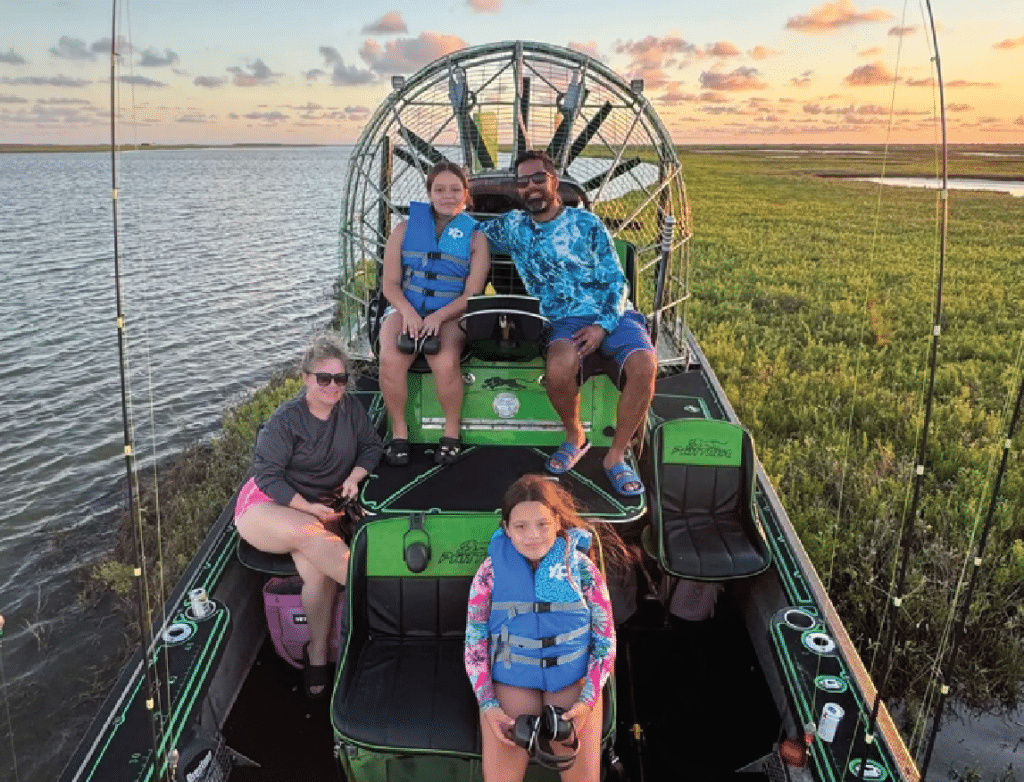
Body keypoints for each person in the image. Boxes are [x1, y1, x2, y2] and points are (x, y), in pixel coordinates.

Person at [481, 151, 656, 497]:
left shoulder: (586, 224)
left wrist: (603, 327)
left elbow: (616, 281)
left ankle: (616, 455)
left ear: (553, 181)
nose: (530, 186)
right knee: (559, 367)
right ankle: (575, 435)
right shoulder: (513, 226)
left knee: (645, 364)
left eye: (537, 178)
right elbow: (463, 230)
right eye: (522, 181)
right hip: (561, 320)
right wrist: (418, 226)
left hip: (611, 312)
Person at [234, 333, 383, 698]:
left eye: (340, 379)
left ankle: (317, 652)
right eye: (323, 378)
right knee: (310, 536)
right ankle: (383, 597)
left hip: (319, 508)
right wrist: (310, 507)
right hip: (268, 505)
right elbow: (267, 476)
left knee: (316, 571)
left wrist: (353, 477)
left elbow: (371, 447)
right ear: (305, 378)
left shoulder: (349, 411)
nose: (333, 386)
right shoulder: (286, 421)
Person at [465, 475, 621, 782]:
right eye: (520, 527)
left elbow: (605, 640)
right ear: (506, 529)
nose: (532, 536)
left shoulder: (582, 569)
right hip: (514, 678)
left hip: (571, 679)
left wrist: (587, 700)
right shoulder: (490, 572)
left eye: (542, 524)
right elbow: (475, 640)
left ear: (557, 523)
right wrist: (488, 705)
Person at [379, 161, 491, 467]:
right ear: (429, 193)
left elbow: (471, 295)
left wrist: (438, 317)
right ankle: (399, 432)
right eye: (439, 189)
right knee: (390, 358)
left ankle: (451, 432)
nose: (447, 196)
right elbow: (389, 284)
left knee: (443, 360)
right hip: (406, 307)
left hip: (452, 312)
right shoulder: (403, 230)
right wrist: (409, 313)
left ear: (466, 195)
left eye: (455, 190)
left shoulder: (476, 239)